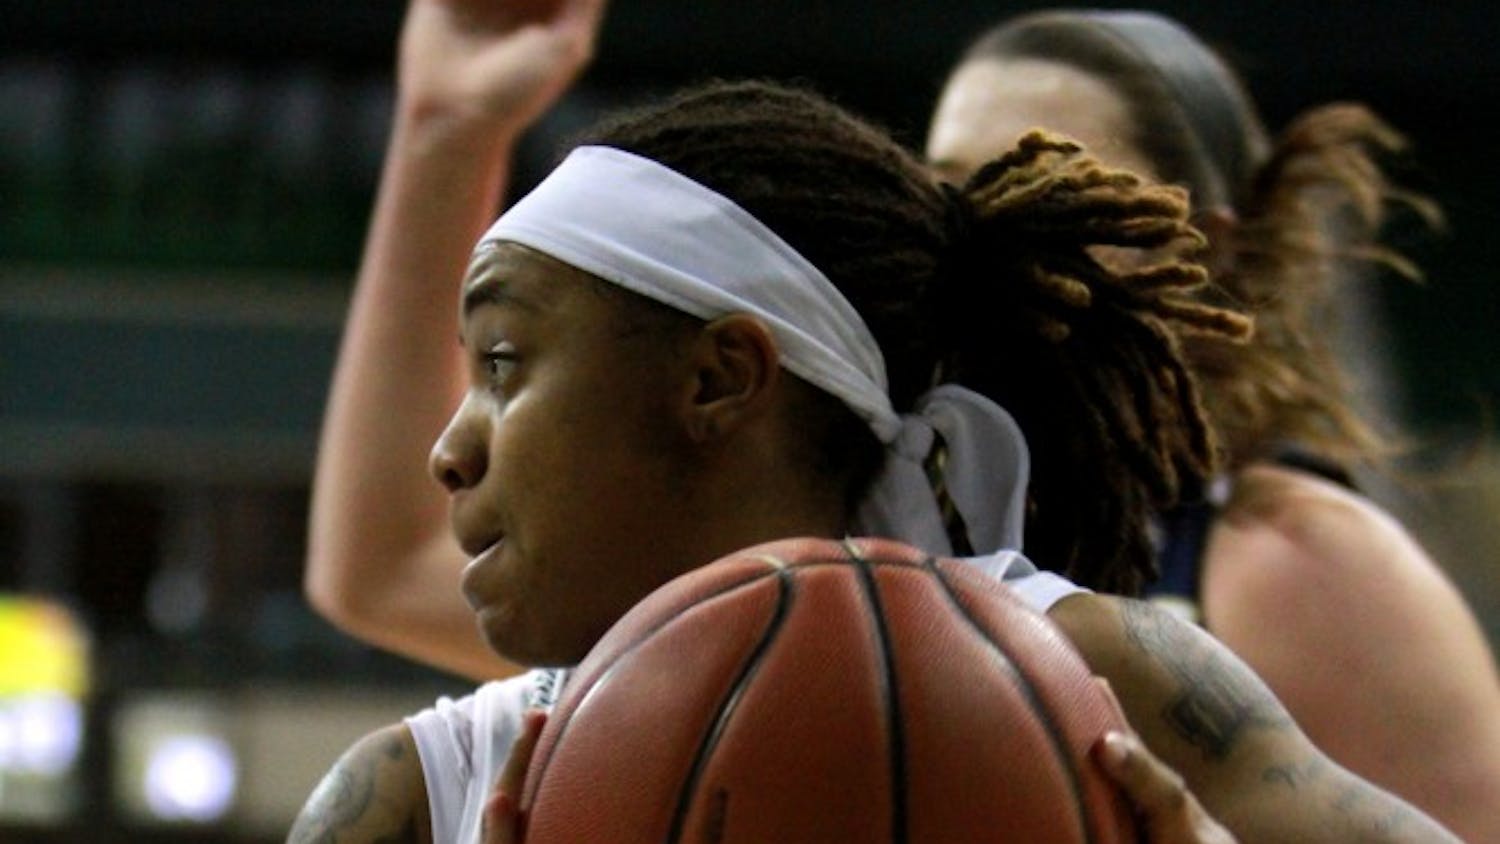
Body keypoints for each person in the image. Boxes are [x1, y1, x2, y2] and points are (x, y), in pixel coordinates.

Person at [289, 77, 1462, 842]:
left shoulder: (1107, 681)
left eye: (501, 361)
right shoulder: (407, 796)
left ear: (717, 378)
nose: (449, 450)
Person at [924, 10, 1500, 842]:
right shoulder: (886, 515)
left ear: (1201, 251)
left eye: (1047, 191)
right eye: (951, 186)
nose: (984, 229)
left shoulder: (1296, 561)